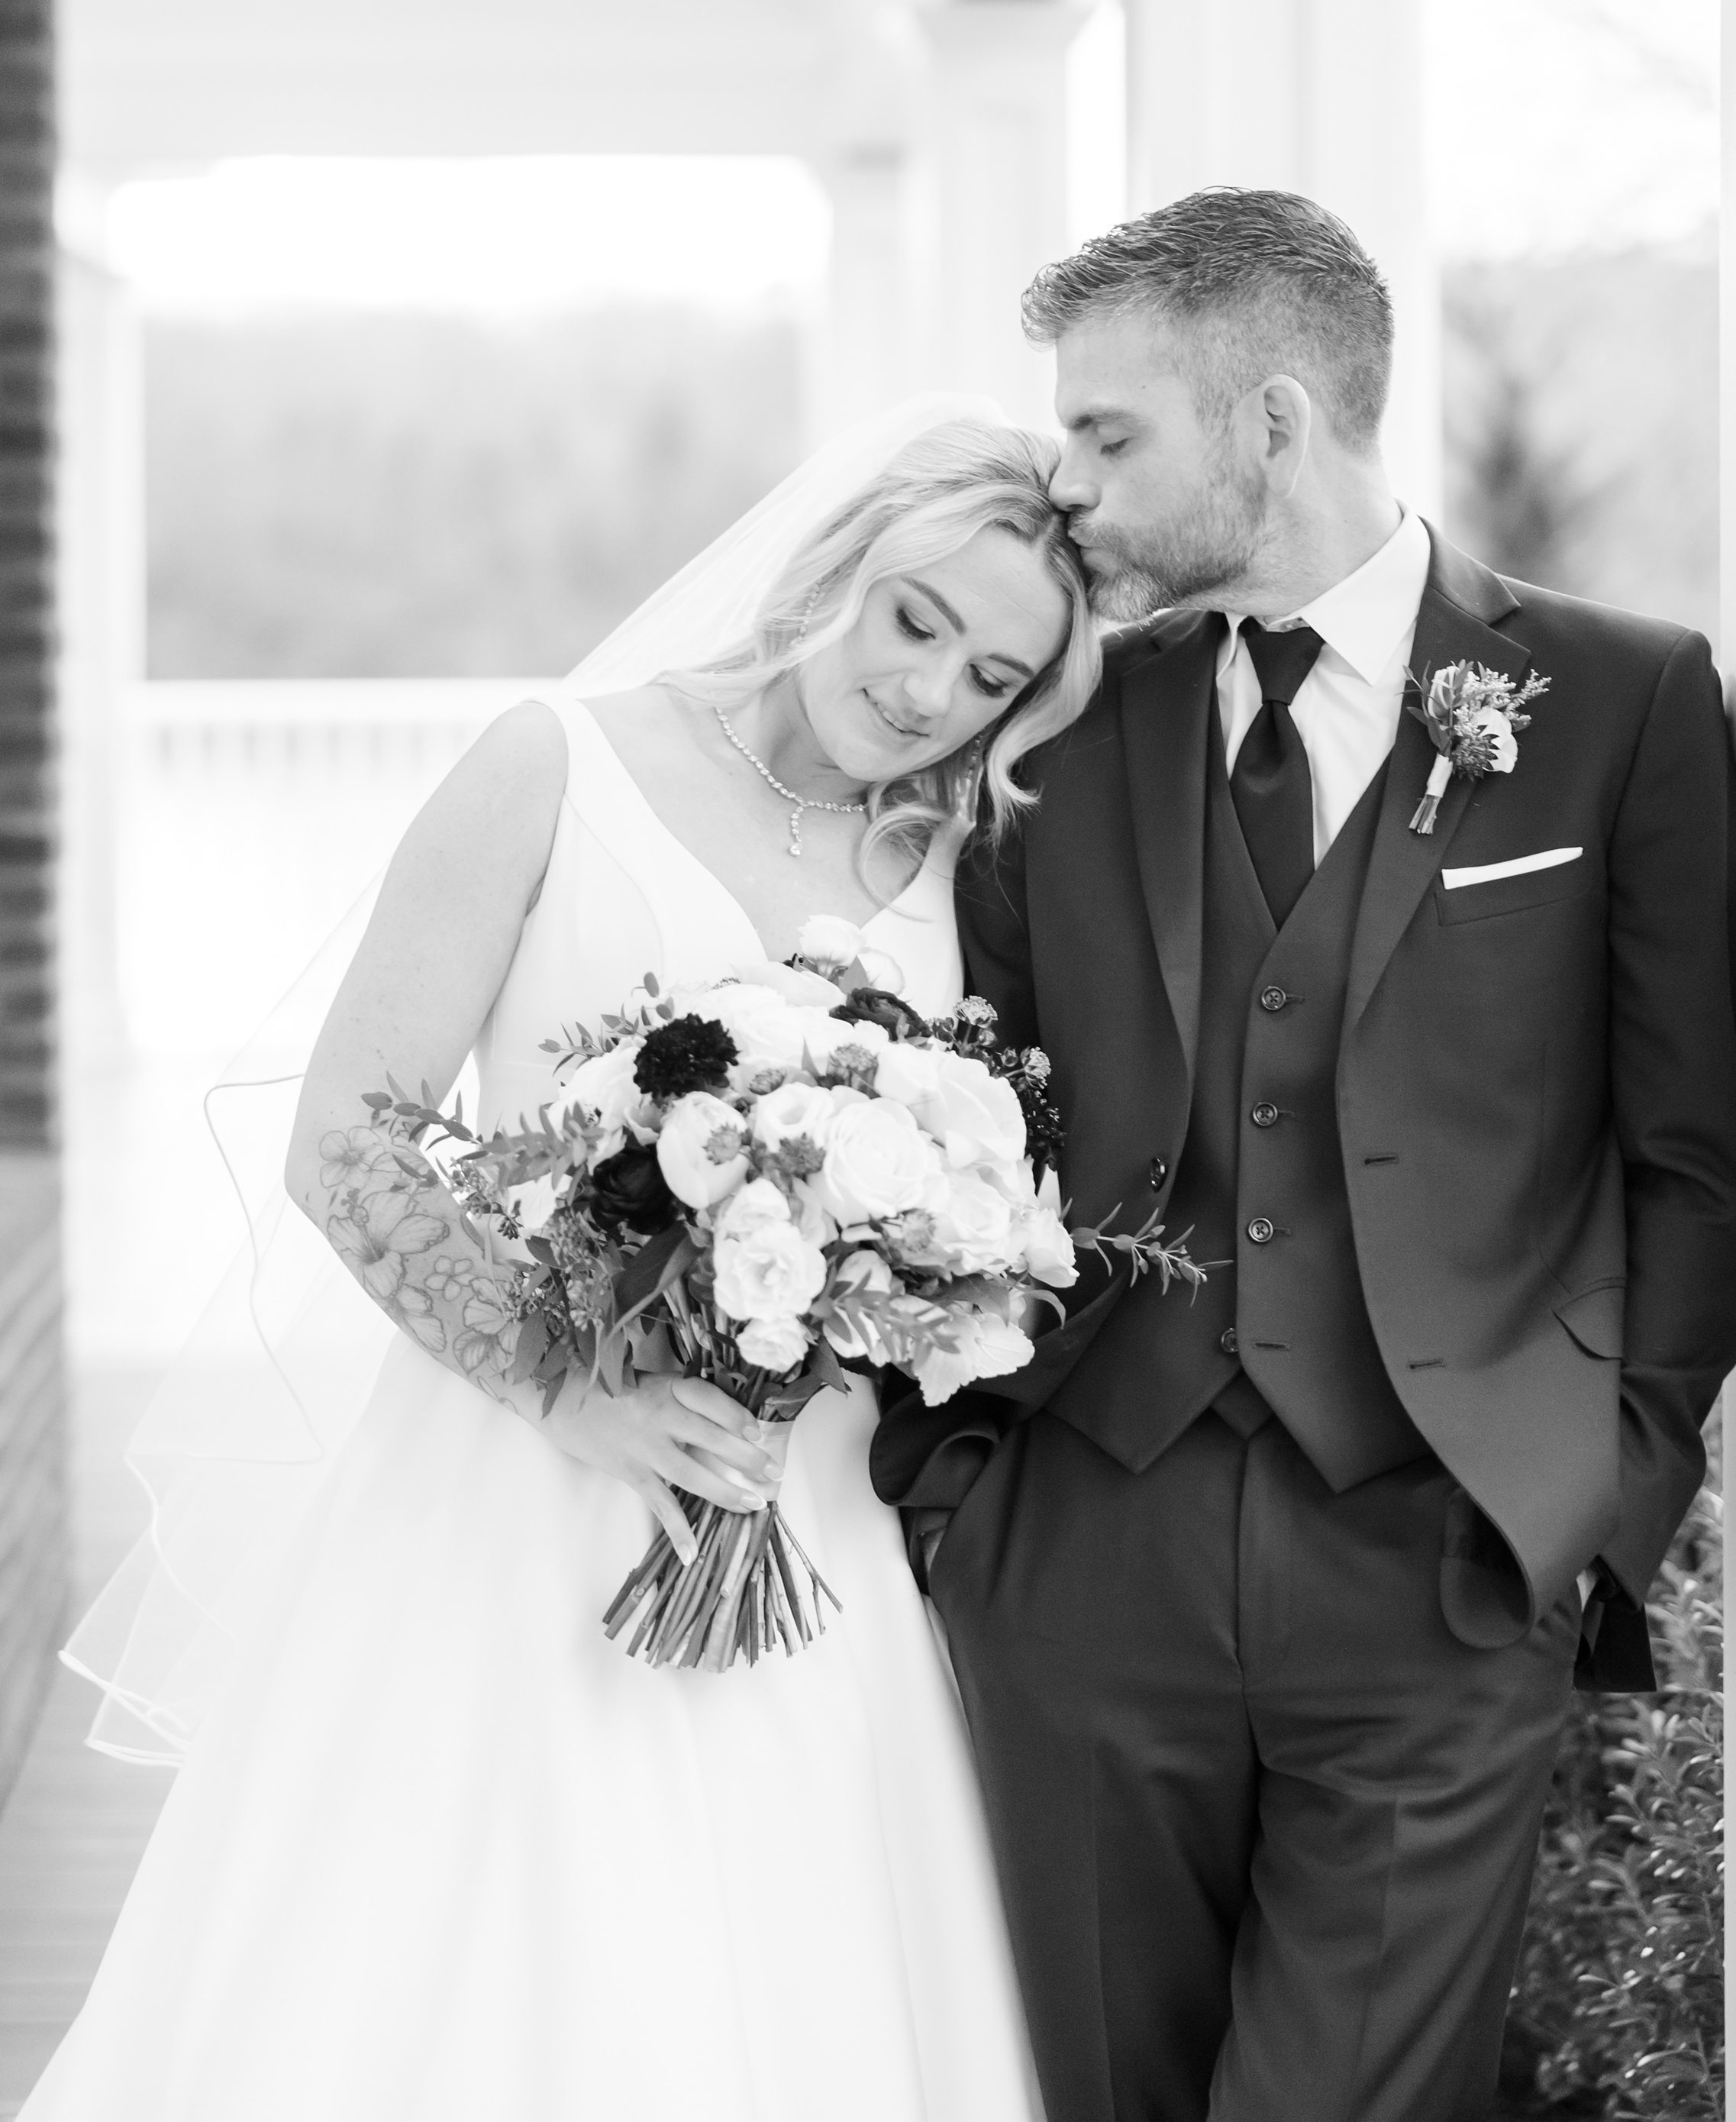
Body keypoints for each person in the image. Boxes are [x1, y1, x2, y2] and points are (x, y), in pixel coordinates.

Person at [25, 410, 1100, 2122]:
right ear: (837, 559)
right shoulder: (556, 766)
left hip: (799, 1506)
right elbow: (349, 1138)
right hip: (506, 1481)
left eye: (989, 677)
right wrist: (565, 1388)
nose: (927, 692)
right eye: (914, 619)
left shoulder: (967, 870)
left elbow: (991, 1182)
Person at [873, 191, 1736, 2122]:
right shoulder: (1065, 725)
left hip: (1444, 1564)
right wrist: (957, 1502)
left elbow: (1691, 1154)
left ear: (1272, 421)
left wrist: (1597, 1503)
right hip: (1082, 1552)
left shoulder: (1621, 699)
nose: (1073, 491)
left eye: (1111, 436)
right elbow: (975, 1104)